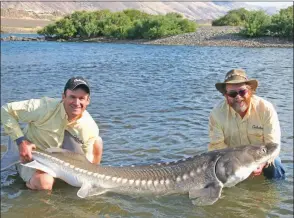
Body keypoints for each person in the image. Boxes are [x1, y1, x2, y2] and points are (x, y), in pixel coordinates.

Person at [1, 76, 103, 190]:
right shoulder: (44, 107)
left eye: (81, 98)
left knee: (97, 141)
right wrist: (21, 142)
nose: (77, 102)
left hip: (63, 160)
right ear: (63, 97)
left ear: (88, 100)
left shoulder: (89, 126)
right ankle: (30, 183)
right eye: (72, 97)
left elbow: (87, 160)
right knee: (44, 182)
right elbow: (5, 110)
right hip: (32, 156)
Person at [208, 69, 285, 179]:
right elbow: (216, 148)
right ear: (226, 96)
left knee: (276, 164)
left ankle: (277, 192)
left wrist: (261, 164)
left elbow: (273, 145)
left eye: (242, 92)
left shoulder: (266, 109)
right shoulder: (216, 114)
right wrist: (239, 166)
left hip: (260, 159)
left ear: (250, 91)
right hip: (233, 163)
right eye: (232, 94)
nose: (238, 97)